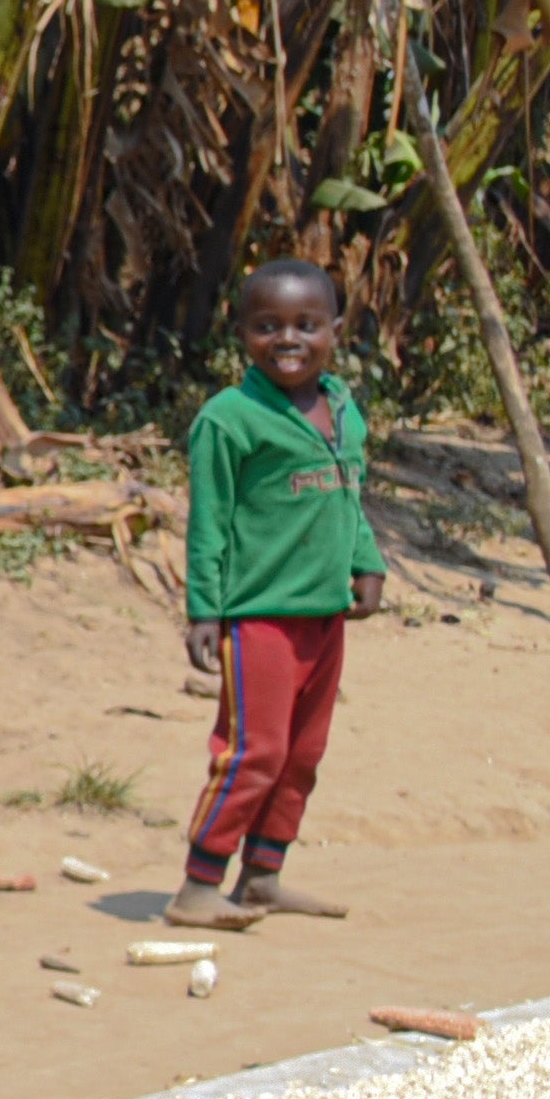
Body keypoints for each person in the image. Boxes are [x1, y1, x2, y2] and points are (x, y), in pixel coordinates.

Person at [176, 255, 383, 932]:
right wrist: (205, 609)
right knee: (254, 753)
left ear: (335, 329)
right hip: (258, 617)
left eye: (305, 324)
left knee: (302, 754)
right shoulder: (228, 419)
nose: (288, 340)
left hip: (325, 616)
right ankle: (199, 885)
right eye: (268, 326)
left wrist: (367, 563)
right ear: (242, 335)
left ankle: (263, 877)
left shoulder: (344, 410)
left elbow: (350, 498)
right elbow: (208, 522)